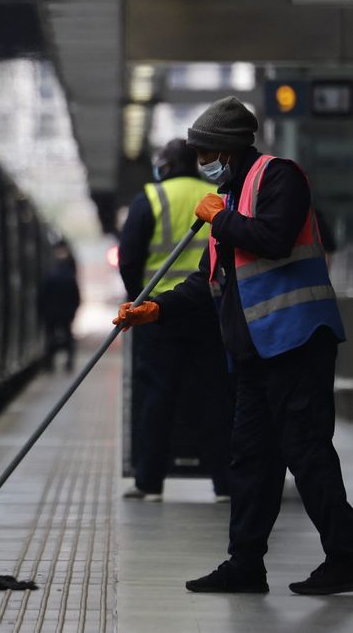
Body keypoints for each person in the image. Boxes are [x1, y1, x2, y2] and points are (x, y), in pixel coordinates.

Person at [115, 96, 353, 595]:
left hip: (297, 341)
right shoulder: (228, 201)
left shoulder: (277, 176)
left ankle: (346, 556)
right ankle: (245, 564)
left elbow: (274, 237)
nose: (204, 164)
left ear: (225, 149)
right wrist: (156, 308)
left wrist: (219, 219)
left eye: (206, 154)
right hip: (254, 352)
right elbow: (209, 281)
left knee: (306, 453)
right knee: (250, 459)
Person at [115, 138, 233, 502]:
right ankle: (225, 484)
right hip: (209, 309)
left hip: (158, 314)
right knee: (216, 396)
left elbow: (129, 257)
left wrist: (139, 298)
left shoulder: (150, 199)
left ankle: (150, 482)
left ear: (164, 166)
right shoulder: (217, 194)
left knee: (157, 396)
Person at [38, 243, 81, 371]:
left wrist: (42, 312)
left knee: (50, 337)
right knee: (67, 337)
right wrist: (73, 311)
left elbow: (43, 296)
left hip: (51, 313)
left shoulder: (50, 275)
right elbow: (76, 297)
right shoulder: (70, 276)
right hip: (65, 313)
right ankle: (68, 363)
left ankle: (50, 363)